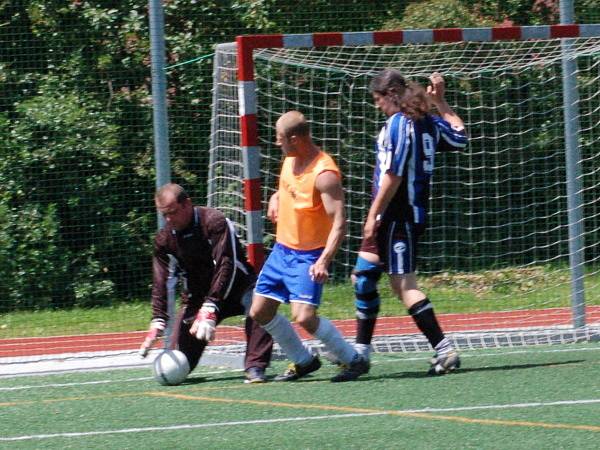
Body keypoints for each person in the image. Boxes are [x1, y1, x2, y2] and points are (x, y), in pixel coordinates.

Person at [347, 69, 468, 378]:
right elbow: (460, 135)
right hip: (400, 216)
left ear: (391, 95)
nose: (377, 106)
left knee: (404, 286)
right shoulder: (428, 121)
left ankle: (444, 350)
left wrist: (373, 214)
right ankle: (360, 354)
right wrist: (441, 101)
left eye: (377, 100)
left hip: (397, 217)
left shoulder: (401, 124)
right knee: (363, 277)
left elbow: (393, 175)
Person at [249, 110, 369, 383]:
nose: (277, 143)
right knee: (259, 311)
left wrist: (323, 260)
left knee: (303, 316)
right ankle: (303, 360)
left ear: (294, 138)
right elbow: (289, 188)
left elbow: (339, 222)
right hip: (282, 251)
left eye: (280, 139)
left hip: (308, 255)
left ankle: (353, 360)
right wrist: (275, 197)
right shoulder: (290, 159)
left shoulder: (324, 173)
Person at [139, 183, 273, 383]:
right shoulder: (164, 240)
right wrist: (158, 319)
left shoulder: (214, 221)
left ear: (188, 204)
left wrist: (211, 305)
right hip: (198, 298)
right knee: (181, 361)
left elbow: (227, 264)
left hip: (238, 288)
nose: (168, 219)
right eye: (164, 214)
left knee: (259, 305)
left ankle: (255, 366)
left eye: (173, 212)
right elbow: (162, 280)